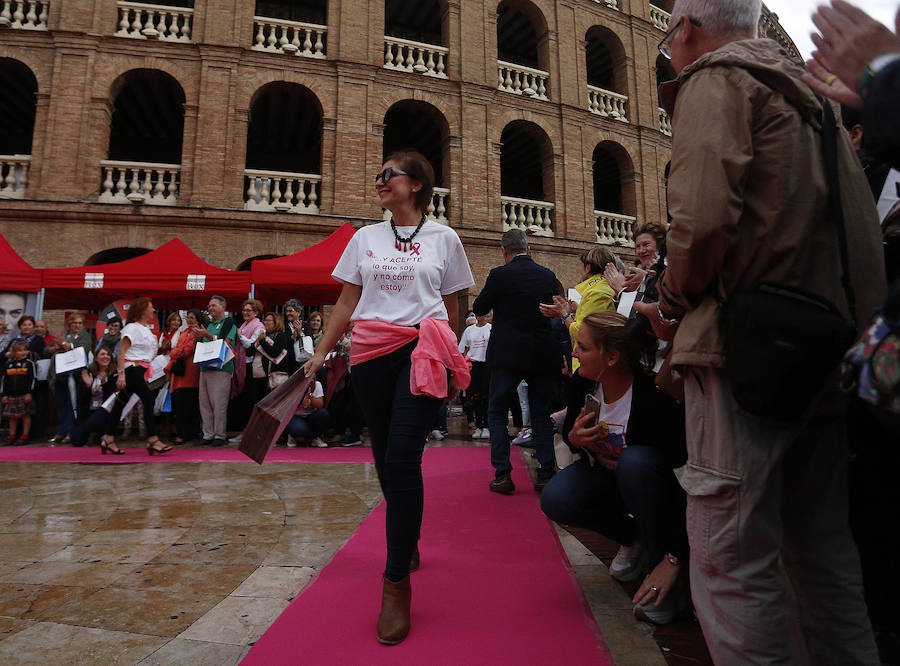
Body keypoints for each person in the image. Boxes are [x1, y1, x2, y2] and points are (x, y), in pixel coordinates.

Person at [637, 1, 884, 661]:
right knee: (824, 562)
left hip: (742, 355)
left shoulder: (716, 79)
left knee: (731, 564)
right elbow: (862, 245)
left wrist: (669, 296)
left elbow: (701, 224)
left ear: (685, 28)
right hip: (825, 352)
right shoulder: (820, 107)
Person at [303, 150, 474, 646]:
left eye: (388, 175)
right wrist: (320, 354)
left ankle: (395, 581)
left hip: (422, 352)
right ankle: (409, 535)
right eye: (379, 175)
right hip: (372, 355)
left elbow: (452, 303)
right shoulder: (364, 238)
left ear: (417, 184)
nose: (379, 181)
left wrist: (450, 355)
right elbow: (346, 301)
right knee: (385, 457)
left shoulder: (445, 238)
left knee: (401, 456)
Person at [540, 312, 688, 624]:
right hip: (604, 480)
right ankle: (633, 539)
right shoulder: (583, 384)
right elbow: (569, 433)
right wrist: (575, 438)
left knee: (637, 463)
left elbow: (680, 474)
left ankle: (662, 568)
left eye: (583, 347)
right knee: (556, 497)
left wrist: (676, 552)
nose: (575, 354)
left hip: (649, 489)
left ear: (612, 357)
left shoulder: (652, 398)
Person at [473, 228, 561, 494]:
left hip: (507, 354)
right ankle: (546, 473)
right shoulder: (548, 275)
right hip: (541, 353)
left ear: (504, 251)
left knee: (497, 411)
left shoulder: (500, 275)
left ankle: (503, 475)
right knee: (541, 413)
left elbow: (478, 308)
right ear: (529, 248)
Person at [103, 297, 170, 456]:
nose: (154, 310)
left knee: (120, 404)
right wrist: (121, 375)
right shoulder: (132, 328)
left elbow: (145, 353)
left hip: (141, 369)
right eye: (151, 307)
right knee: (148, 399)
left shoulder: (146, 330)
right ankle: (153, 439)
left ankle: (108, 439)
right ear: (142, 310)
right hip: (132, 369)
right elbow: (121, 352)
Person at [194, 295, 237, 447]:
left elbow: (226, 342)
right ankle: (208, 434)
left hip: (221, 367)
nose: (210, 308)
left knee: (218, 403)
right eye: (209, 305)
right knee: (204, 403)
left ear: (223, 307)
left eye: (214, 305)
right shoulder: (209, 324)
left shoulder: (228, 323)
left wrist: (207, 335)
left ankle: (219, 434)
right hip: (205, 367)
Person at [49, 311, 93, 444]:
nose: (78, 325)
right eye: (75, 323)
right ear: (69, 324)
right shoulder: (63, 335)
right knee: (62, 404)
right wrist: (55, 346)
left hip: (74, 376)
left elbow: (83, 350)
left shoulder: (85, 336)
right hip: (59, 375)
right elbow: (47, 350)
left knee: (73, 404)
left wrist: (64, 344)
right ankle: (61, 431)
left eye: (80, 323)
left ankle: (71, 432)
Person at [165, 309, 206, 444]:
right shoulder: (184, 332)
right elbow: (180, 349)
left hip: (189, 371)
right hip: (180, 370)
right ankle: (185, 432)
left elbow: (187, 350)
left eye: (192, 318)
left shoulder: (196, 332)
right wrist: (176, 352)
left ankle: (185, 433)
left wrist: (173, 353)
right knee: (181, 404)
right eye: (188, 317)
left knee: (186, 404)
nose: (189, 320)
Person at [70, 346, 115, 447]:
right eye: (102, 354)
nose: (106, 357)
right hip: (90, 410)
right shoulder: (89, 373)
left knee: (93, 422)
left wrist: (104, 384)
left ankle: (103, 433)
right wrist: (87, 386)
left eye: (108, 355)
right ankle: (97, 435)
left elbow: (112, 398)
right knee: (76, 441)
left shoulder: (114, 374)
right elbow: (82, 400)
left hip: (106, 410)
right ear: (96, 358)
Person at [458, 312, 491, 439]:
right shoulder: (469, 330)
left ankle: (487, 426)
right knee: (474, 397)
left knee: (486, 396)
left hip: (487, 365)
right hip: (473, 365)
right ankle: (478, 426)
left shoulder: (490, 328)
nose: (479, 316)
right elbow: (462, 350)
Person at [1, 340, 36, 445]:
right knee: (12, 416)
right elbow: (4, 380)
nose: (23, 352)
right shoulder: (8, 364)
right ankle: (12, 436)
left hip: (24, 394)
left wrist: (29, 393)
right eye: (20, 350)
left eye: (25, 350)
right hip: (11, 394)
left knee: (25, 415)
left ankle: (24, 436)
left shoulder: (29, 364)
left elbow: (32, 379)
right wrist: (4, 395)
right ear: (13, 352)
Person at [285, 378, 329, 448]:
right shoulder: (295, 385)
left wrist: (310, 396)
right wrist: (302, 401)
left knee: (323, 413)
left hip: (310, 415)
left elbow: (320, 405)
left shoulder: (317, 384)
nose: (311, 377)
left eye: (313, 373)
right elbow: (289, 406)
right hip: (295, 416)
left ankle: (315, 437)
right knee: (300, 429)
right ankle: (292, 436)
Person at [256, 311, 293, 391]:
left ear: (276, 322)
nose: (265, 322)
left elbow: (274, 353)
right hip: (264, 374)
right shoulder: (266, 335)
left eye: (269, 320)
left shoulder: (281, 336)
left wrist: (262, 341)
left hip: (277, 374)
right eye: (265, 320)